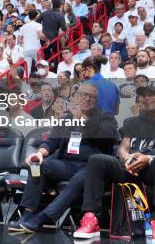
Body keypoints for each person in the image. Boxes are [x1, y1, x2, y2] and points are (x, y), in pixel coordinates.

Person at [7, 83, 118, 233]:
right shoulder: (67, 117)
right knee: (36, 167)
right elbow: (51, 141)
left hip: (90, 167)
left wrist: (84, 120)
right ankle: (27, 215)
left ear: (96, 100)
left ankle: (43, 217)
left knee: (79, 179)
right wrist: (40, 153)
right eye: (83, 95)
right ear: (76, 96)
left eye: (91, 96)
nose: (86, 98)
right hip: (67, 164)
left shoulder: (105, 117)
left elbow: (108, 139)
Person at [74, 85, 155, 240]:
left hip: (151, 168)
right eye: (144, 95)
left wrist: (148, 158)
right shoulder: (131, 122)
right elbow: (123, 148)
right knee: (97, 160)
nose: (146, 98)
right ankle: (91, 219)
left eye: (151, 94)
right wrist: (127, 158)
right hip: (130, 167)